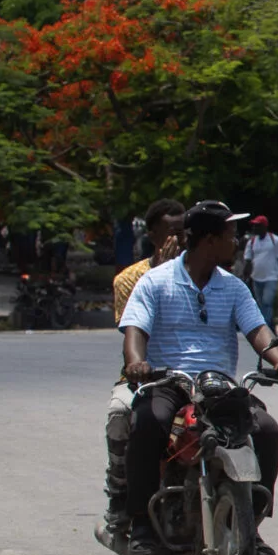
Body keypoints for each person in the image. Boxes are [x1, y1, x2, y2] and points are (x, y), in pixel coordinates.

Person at [117, 201, 278, 555]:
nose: (236, 242)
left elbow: (257, 329)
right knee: (148, 422)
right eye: (230, 235)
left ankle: (253, 524)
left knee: (266, 430)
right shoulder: (155, 282)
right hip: (168, 381)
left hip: (218, 384)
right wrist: (137, 363)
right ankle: (140, 523)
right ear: (209, 240)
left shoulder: (233, 287)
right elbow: (135, 329)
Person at [97, 199, 185, 537]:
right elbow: (134, 331)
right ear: (153, 235)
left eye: (185, 234)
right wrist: (160, 273)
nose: (179, 242)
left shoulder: (206, 274)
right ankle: (120, 495)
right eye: (172, 234)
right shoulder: (130, 279)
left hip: (194, 376)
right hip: (148, 376)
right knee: (121, 416)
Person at [238, 214, 278, 327]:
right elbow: (248, 260)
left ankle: (265, 326)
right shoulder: (251, 242)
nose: (255, 228)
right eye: (254, 226)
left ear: (265, 227)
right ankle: (270, 325)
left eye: (258, 226)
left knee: (267, 302)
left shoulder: (275, 241)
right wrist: (245, 275)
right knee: (261, 305)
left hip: (271, 277)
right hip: (256, 278)